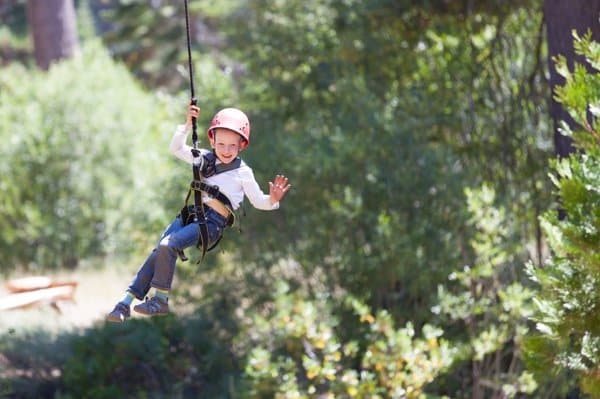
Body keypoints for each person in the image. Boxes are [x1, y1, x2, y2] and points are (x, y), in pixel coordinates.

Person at [106, 104, 291, 322]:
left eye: (232, 145)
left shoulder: (243, 173)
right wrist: (187, 125)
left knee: (168, 245)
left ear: (242, 145)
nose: (226, 149)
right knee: (159, 252)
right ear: (212, 141)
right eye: (221, 143)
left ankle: (161, 300)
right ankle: (125, 303)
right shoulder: (203, 158)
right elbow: (176, 148)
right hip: (191, 215)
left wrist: (273, 200)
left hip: (212, 223)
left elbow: (259, 201)